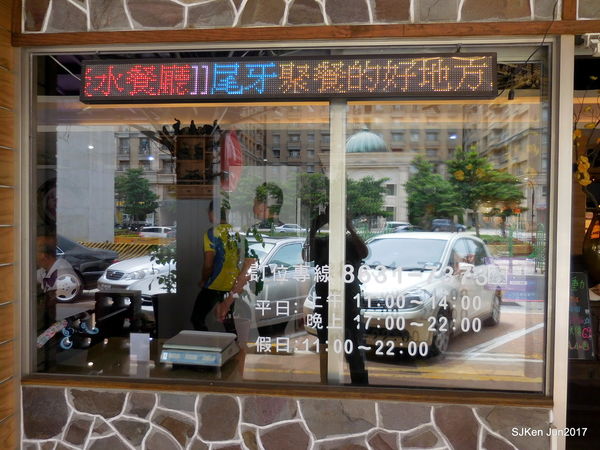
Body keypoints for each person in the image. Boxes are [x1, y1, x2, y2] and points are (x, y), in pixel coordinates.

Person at [304, 210, 370, 385]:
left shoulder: (350, 242)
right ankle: (328, 387)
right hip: (325, 303)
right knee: (326, 350)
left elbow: (364, 252)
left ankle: (360, 389)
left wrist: (349, 226)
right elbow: (306, 256)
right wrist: (313, 229)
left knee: (354, 350)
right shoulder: (322, 242)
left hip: (349, 304)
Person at [191, 200, 255, 332]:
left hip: (215, 283)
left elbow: (208, 263)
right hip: (231, 283)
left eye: (209, 212)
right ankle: (235, 343)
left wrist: (204, 279)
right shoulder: (235, 233)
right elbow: (237, 257)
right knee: (228, 322)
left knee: (197, 319)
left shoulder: (211, 233)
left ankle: (207, 344)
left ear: (212, 213)